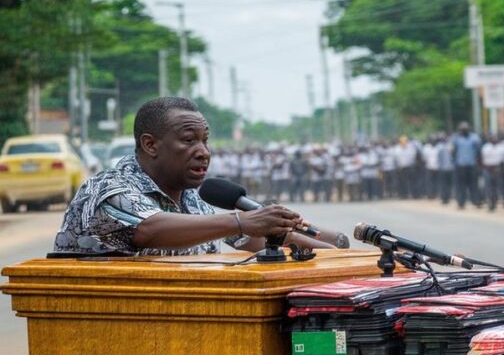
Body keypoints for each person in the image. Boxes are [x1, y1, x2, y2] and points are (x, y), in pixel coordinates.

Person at [53, 97, 323, 256]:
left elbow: (250, 238)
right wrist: (242, 220)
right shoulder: (109, 188)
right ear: (150, 145)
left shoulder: (191, 198)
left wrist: (330, 248)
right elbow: (150, 229)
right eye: (188, 140)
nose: (203, 152)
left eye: (205, 141)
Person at [451, 122, 482, 209]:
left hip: (472, 165)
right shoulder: (456, 138)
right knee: (461, 185)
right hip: (460, 165)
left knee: (473, 184)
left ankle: (476, 201)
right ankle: (461, 203)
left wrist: (478, 164)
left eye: (465, 129)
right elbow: (453, 151)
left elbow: (479, 151)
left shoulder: (474, 138)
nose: (464, 131)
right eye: (462, 129)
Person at [480, 134, 504, 212]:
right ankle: (490, 203)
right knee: (488, 187)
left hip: (497, 169)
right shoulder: (485, 147)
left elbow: (503, 160)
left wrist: (499, 169)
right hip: (488, 169)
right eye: (492, 139)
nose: (494, 140)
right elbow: (482, 158)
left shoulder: (501, 148)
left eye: (495, 139)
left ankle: (495, 202)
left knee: (496, 187)